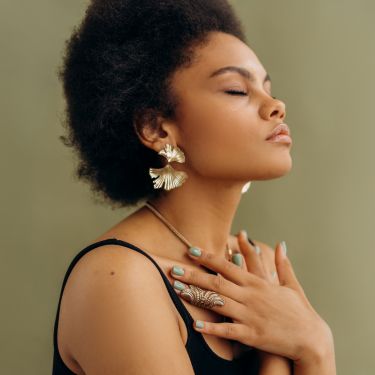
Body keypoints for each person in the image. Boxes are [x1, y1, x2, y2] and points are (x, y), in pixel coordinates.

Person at [52, 0, 336, 374]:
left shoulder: (257, 266)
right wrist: (291, 348)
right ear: (156, 128)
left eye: (268, 88)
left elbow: (312, 349)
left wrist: (316, 345)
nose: (276, 105)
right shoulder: (119, 280)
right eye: (236, 90)